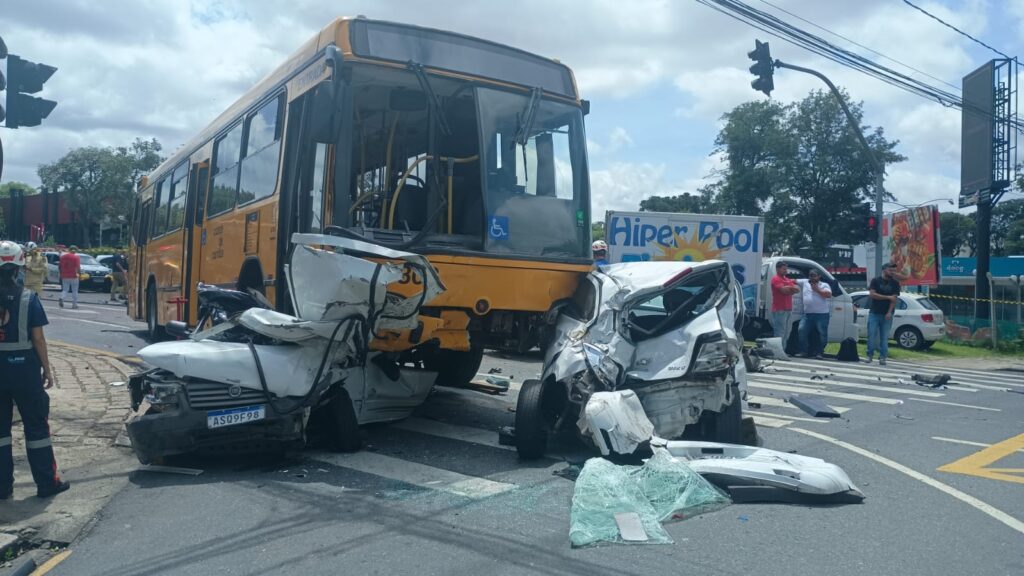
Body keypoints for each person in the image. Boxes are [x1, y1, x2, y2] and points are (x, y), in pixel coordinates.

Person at [0, 241, 70, 500]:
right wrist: (47, 370)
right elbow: (38, 339)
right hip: (24, 372)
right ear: (19, 266)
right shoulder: (29, 298)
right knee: (37, 428)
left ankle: (2, 487)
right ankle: (46, 483)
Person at [866, 262, 901, 365]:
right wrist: (887, 297)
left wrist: (889, 312)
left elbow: (894, 299)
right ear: (884, 270)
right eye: (890, 270)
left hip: (887, 314)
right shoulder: (875, 281)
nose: (892, 272)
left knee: (884, 337)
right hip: (874, 312)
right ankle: (869, 355)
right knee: (871, 334)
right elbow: (872, 295)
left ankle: (883, 357)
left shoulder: (895, 283)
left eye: (894, 270)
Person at [796, 270, 832, 358]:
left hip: (822, 314)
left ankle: (820, 352)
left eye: (814, 275)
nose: (812, 277)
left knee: (822, 334)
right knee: (801, 330)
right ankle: (804, 351)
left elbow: (828, 295)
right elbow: (792, 281)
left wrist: (817, 290)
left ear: (819, 276)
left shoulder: (824, 285)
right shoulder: (805, 282)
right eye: (810, 275)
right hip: (807, 314)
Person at [769, 261, 800, 348]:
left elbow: (797, 289)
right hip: (779, 309)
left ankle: (783, 350)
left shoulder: (787, 279)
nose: (786, 271)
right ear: (778, 269)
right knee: (780, 332)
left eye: (786, 269)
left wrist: (789, 288)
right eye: (784, 269)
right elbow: (783, 290)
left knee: (787, 331)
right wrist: (790, 288)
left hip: (788, 309)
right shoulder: (775, 279)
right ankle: (778, 350)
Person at [58, 246, 81, 310]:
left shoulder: (62, 257)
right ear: (75, 251)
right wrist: (80, 274)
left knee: (65, 290)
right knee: (75, 291)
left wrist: (61, 273)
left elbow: (59, 266)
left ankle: (62, 298)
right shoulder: (76, 257)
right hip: (74, 276)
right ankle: (74, 304)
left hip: (64, 276)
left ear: (69, 250)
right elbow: (78, 267)